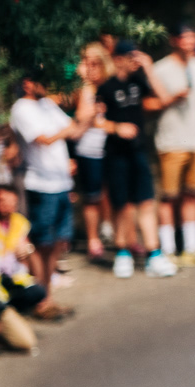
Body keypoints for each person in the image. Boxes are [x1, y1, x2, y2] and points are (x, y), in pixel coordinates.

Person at [95, 42, 178, 278]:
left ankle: (154, 254)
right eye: (131, 56)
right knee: (122, 205)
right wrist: (116, 127)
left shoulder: (139, 82)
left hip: (138, 151)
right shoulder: (106, 86)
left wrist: (149, 69)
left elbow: (163, 98)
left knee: (146, 202)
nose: (135, 61)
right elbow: (95, 120)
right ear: (118, 59)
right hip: (116, 154)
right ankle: (122, 252)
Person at [7, 76, 83, 312]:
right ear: (28, 83)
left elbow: (75, 130)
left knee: (57, 243)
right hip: (40, 185)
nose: (47, 84)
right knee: (41, 244)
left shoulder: (47, 104)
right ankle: (40, 300)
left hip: (61, 183)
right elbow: (43, 139)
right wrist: (65, 130)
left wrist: (85, 110)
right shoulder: (21, 108)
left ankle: (47, 297)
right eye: (42, 80)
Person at [152, 24, 195, 267]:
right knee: (169, 197)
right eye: (184, 38)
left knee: (193, 194)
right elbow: (147, 104)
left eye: (192, 37)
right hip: (170, 142)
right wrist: (171, 99)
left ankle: (192, 247)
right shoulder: (160, 69)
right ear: (174, 40)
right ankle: (168, 250)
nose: (190, 42)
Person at [0, 185, 44, 348]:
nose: (7, 205)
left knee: (38, 291)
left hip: (10, 281)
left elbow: (28, 248)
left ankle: (7, 318)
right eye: (2, 201)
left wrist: (27, 250)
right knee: (26, 341)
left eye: (12, 201)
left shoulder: (19, 222)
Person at [73, 43, 113, 262]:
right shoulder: (85, 89)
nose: (91, 68)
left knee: (110, 192)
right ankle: (93, 240)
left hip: (111, 147)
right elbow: (81, 116)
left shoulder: (111, 85)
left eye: (95, 64)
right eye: (87, 64)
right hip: (89, 149)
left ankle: (111, 230)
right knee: (92, 196)